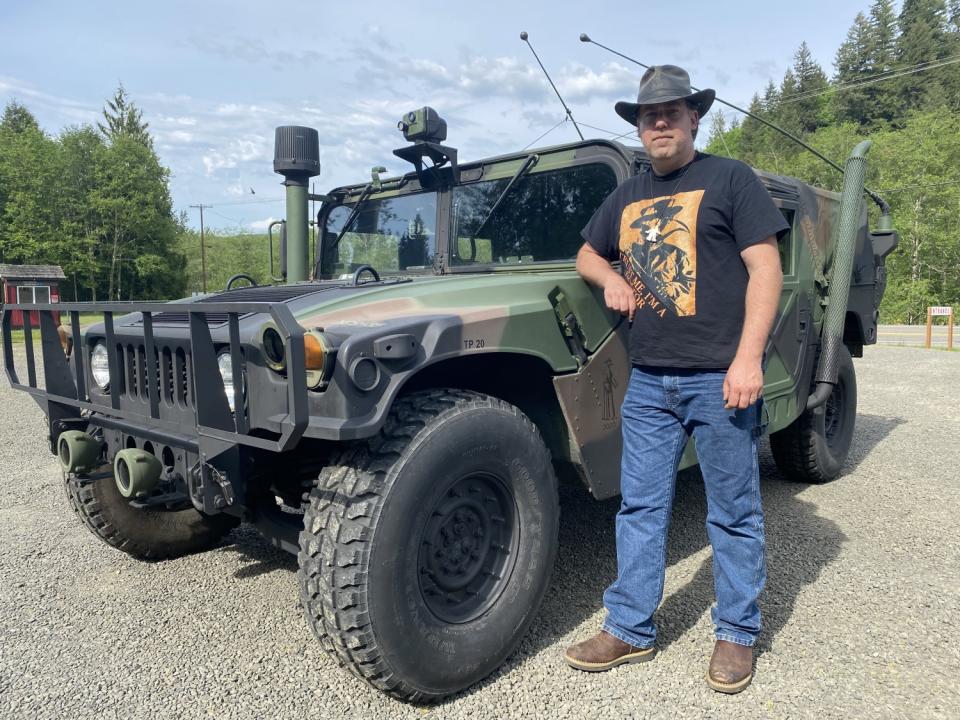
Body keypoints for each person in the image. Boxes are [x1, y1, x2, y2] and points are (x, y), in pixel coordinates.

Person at [564, 65, 787, 694]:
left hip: (719, 379)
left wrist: (748, 360)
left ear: (694, 117)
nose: (659, 122)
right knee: (640, 508)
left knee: (734, 512)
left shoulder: (731, 179)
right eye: (647, 115)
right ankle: (631, 626)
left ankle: (737, 633)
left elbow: (765, 270)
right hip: (649, 385)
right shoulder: (628, 194)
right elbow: (586, 250)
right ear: (638, 127)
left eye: (671, 112)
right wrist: (607, 276)